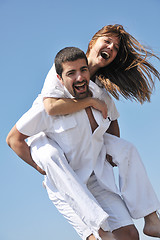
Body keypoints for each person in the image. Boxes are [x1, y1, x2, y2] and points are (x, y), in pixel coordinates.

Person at [6, 47, 160, 240]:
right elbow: (13, 139)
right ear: (60, 79)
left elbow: (112, 123)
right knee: (102, 238)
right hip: (68, 187)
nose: (79, 77)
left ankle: (151, 217)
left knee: (129, 235)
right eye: (71, 73)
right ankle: (99, 229)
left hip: (96, 178)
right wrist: (40, 166)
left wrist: (112, 155)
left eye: (83, 70)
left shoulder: (101, 97)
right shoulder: (47, 107)